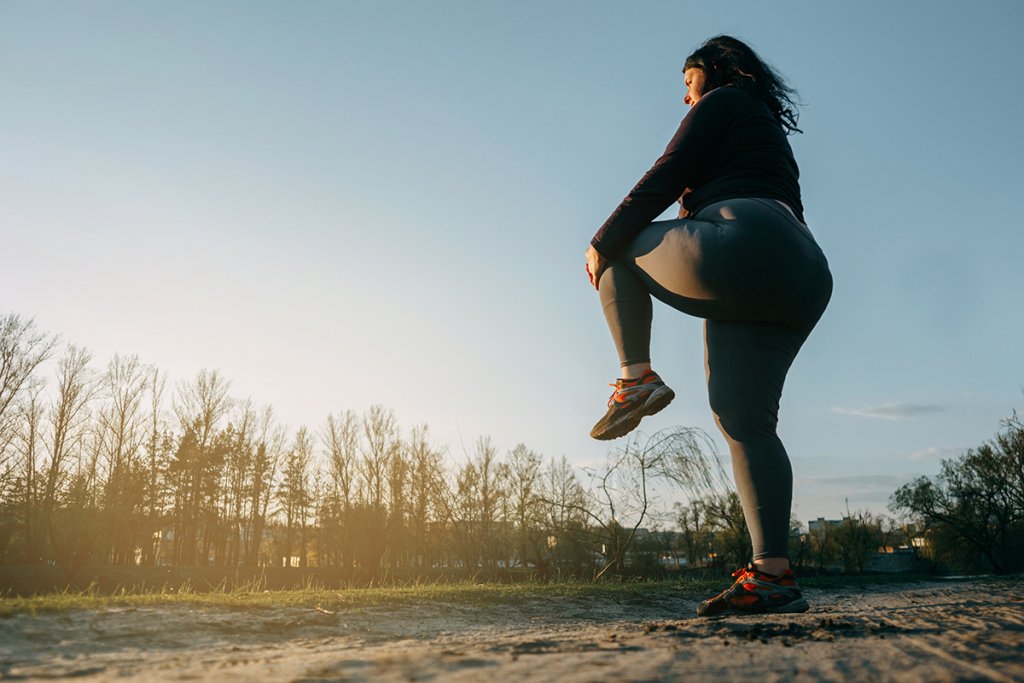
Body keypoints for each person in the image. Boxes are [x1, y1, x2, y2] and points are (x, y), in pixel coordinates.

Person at [584, 35, 833, 616]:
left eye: (687, 79)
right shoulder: (763, 126)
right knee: (745, 421)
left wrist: (601, 240)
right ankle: (773, 572)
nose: (685, 95)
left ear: (716, 70)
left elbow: (668, 171)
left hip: (744, 240)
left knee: (618, 250)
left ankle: (634, 379)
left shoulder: (723, 100)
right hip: (802, 272)